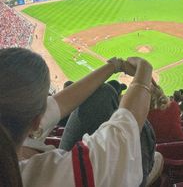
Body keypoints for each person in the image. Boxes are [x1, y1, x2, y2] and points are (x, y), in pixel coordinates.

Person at [0, 48, 159, 187]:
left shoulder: (8, 127)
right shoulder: (51, 176)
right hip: (88, 175)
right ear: (36, 122)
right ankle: (142, 173)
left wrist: (115, 66)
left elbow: (61, 103)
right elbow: (125, 128)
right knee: (142, 130)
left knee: (103, 92)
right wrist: (145, 68)